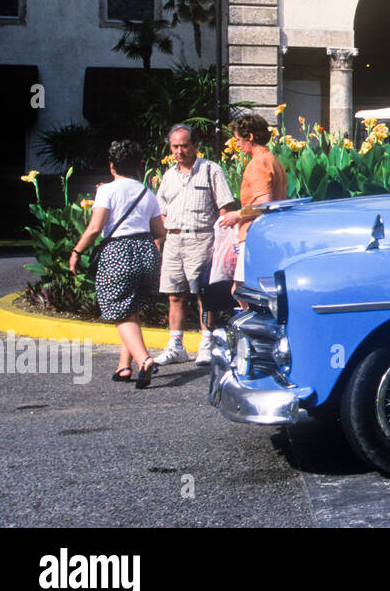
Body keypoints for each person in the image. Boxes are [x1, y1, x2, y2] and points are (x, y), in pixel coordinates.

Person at [69, 140, 167, 388]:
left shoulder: (107, 191)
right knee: (130, 308)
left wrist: (77, 251)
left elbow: (95, 228)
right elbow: (159, 230)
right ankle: (124, 366)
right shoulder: (148, 193)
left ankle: (144, 360)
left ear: (112, 166)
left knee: (117, 309)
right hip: (146, 251)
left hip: (118, 251)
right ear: (138, 166)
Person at [151, 124, 238, 367]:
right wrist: (161, 236)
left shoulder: (211, 170)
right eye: (175, 146)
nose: (179, 151)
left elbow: (225, 208)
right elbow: (161, 211)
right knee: (174, 294)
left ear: (195, 146)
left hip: (201, 239)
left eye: (184, 145)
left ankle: (207, 344)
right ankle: (176, 346)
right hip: (173, 240)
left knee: (203, 295)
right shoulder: (168, 176)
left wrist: (223, 243)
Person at [218, 113, 288, 292]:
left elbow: (264, 203)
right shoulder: (272, 160)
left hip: (254, 233)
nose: (237, 144)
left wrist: (236, 214)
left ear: (249, 137)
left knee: (242, 290)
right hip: (271, 232)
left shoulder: (257, 164)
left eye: (238, 139)